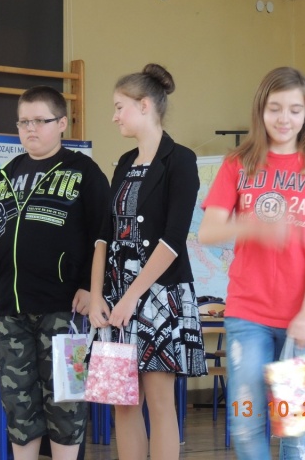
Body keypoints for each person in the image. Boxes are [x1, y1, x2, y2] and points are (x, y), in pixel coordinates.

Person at [198, 66, 305, 459]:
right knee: (246, 422)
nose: (284, 119)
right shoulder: (238, 163)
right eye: (275, 108)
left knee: (297, 428)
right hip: (247, 314)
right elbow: (208, 231)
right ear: (260, 110)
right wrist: (255, 226)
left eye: (295, 110)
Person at [0, 85, 110, 460]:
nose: (30, 129)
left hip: (65, 308)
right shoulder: (5, 176)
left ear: (62, 123)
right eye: (23, 122)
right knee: (18, 402)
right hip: (11, 310)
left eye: (40, 121)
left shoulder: (84, 172)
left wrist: (89, 287)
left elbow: (103, 235)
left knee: (66, 398)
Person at [88, 63, 207, 460]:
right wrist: (97, 295)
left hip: (159, 297)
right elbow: (103, 235)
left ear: (144, 105)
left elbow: (173, 240)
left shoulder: (181, 160)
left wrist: (131, 298)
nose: (114, 116)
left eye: (119, 107)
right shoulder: (123, 162)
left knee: (159, 402)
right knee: (122, 401)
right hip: (116, 298)